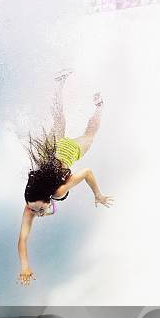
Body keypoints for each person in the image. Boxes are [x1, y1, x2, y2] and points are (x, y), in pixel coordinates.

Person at [18, 69, 113, 286]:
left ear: (47, 198)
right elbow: (22, 239)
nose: (35, 213)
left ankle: (99, 106)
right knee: (58, 119)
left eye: (38, 210)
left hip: (69, 152)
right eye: (35, 210)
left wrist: (98, 195)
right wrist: (24, 266)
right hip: (51, 149)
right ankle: (59, 83)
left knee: (89, 135)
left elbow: (87, 172)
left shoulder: (58, 191)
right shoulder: (31, 202)